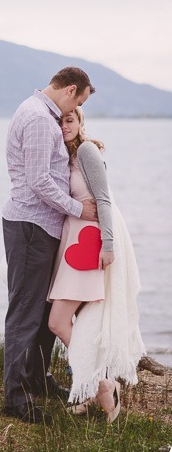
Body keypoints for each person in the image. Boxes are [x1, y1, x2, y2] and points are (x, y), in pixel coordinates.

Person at [2, 67, 98, 424]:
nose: (75, 109)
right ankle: (15, 398)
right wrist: (79, 209)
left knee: (42, 312)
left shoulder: (37, 111)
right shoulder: (41, 119)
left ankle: (37, 381)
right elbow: (40, 180)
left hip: (42, 227)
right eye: (80, 100)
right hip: (31, 227)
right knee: (25, 313)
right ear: (70, 89)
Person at [48, 108, 145, 421]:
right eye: (59, 121)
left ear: (80, 122)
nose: (64, 126)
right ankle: (95, 387)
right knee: (81, 320)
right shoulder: (63, 157)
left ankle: (104, 384)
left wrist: (109, 245)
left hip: (91, 242)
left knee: (58, 322)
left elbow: (103, 199)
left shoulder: (87, 151)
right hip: (73, 243)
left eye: (70, 120)